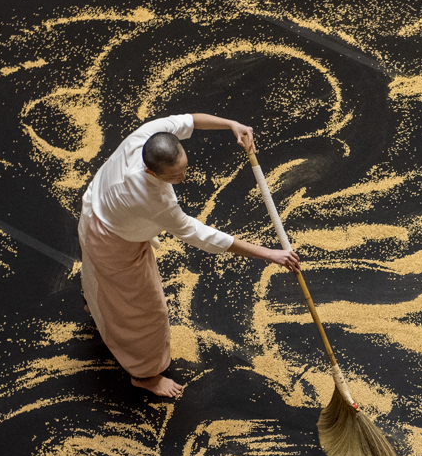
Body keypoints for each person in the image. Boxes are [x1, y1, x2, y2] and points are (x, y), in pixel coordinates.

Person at [78, 113, 299, 398]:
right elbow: (203, 236)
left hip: (94, 210)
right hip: (112, 242)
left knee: (103, 280)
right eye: (173, 177)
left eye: (183, 169)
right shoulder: (155, 200)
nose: (182, 178)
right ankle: (145, 374)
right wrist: (269, 254)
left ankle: (94, 305)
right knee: (146, 311)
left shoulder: (149, 133)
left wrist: (232, 124)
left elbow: (191, 120)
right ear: (151, 172)